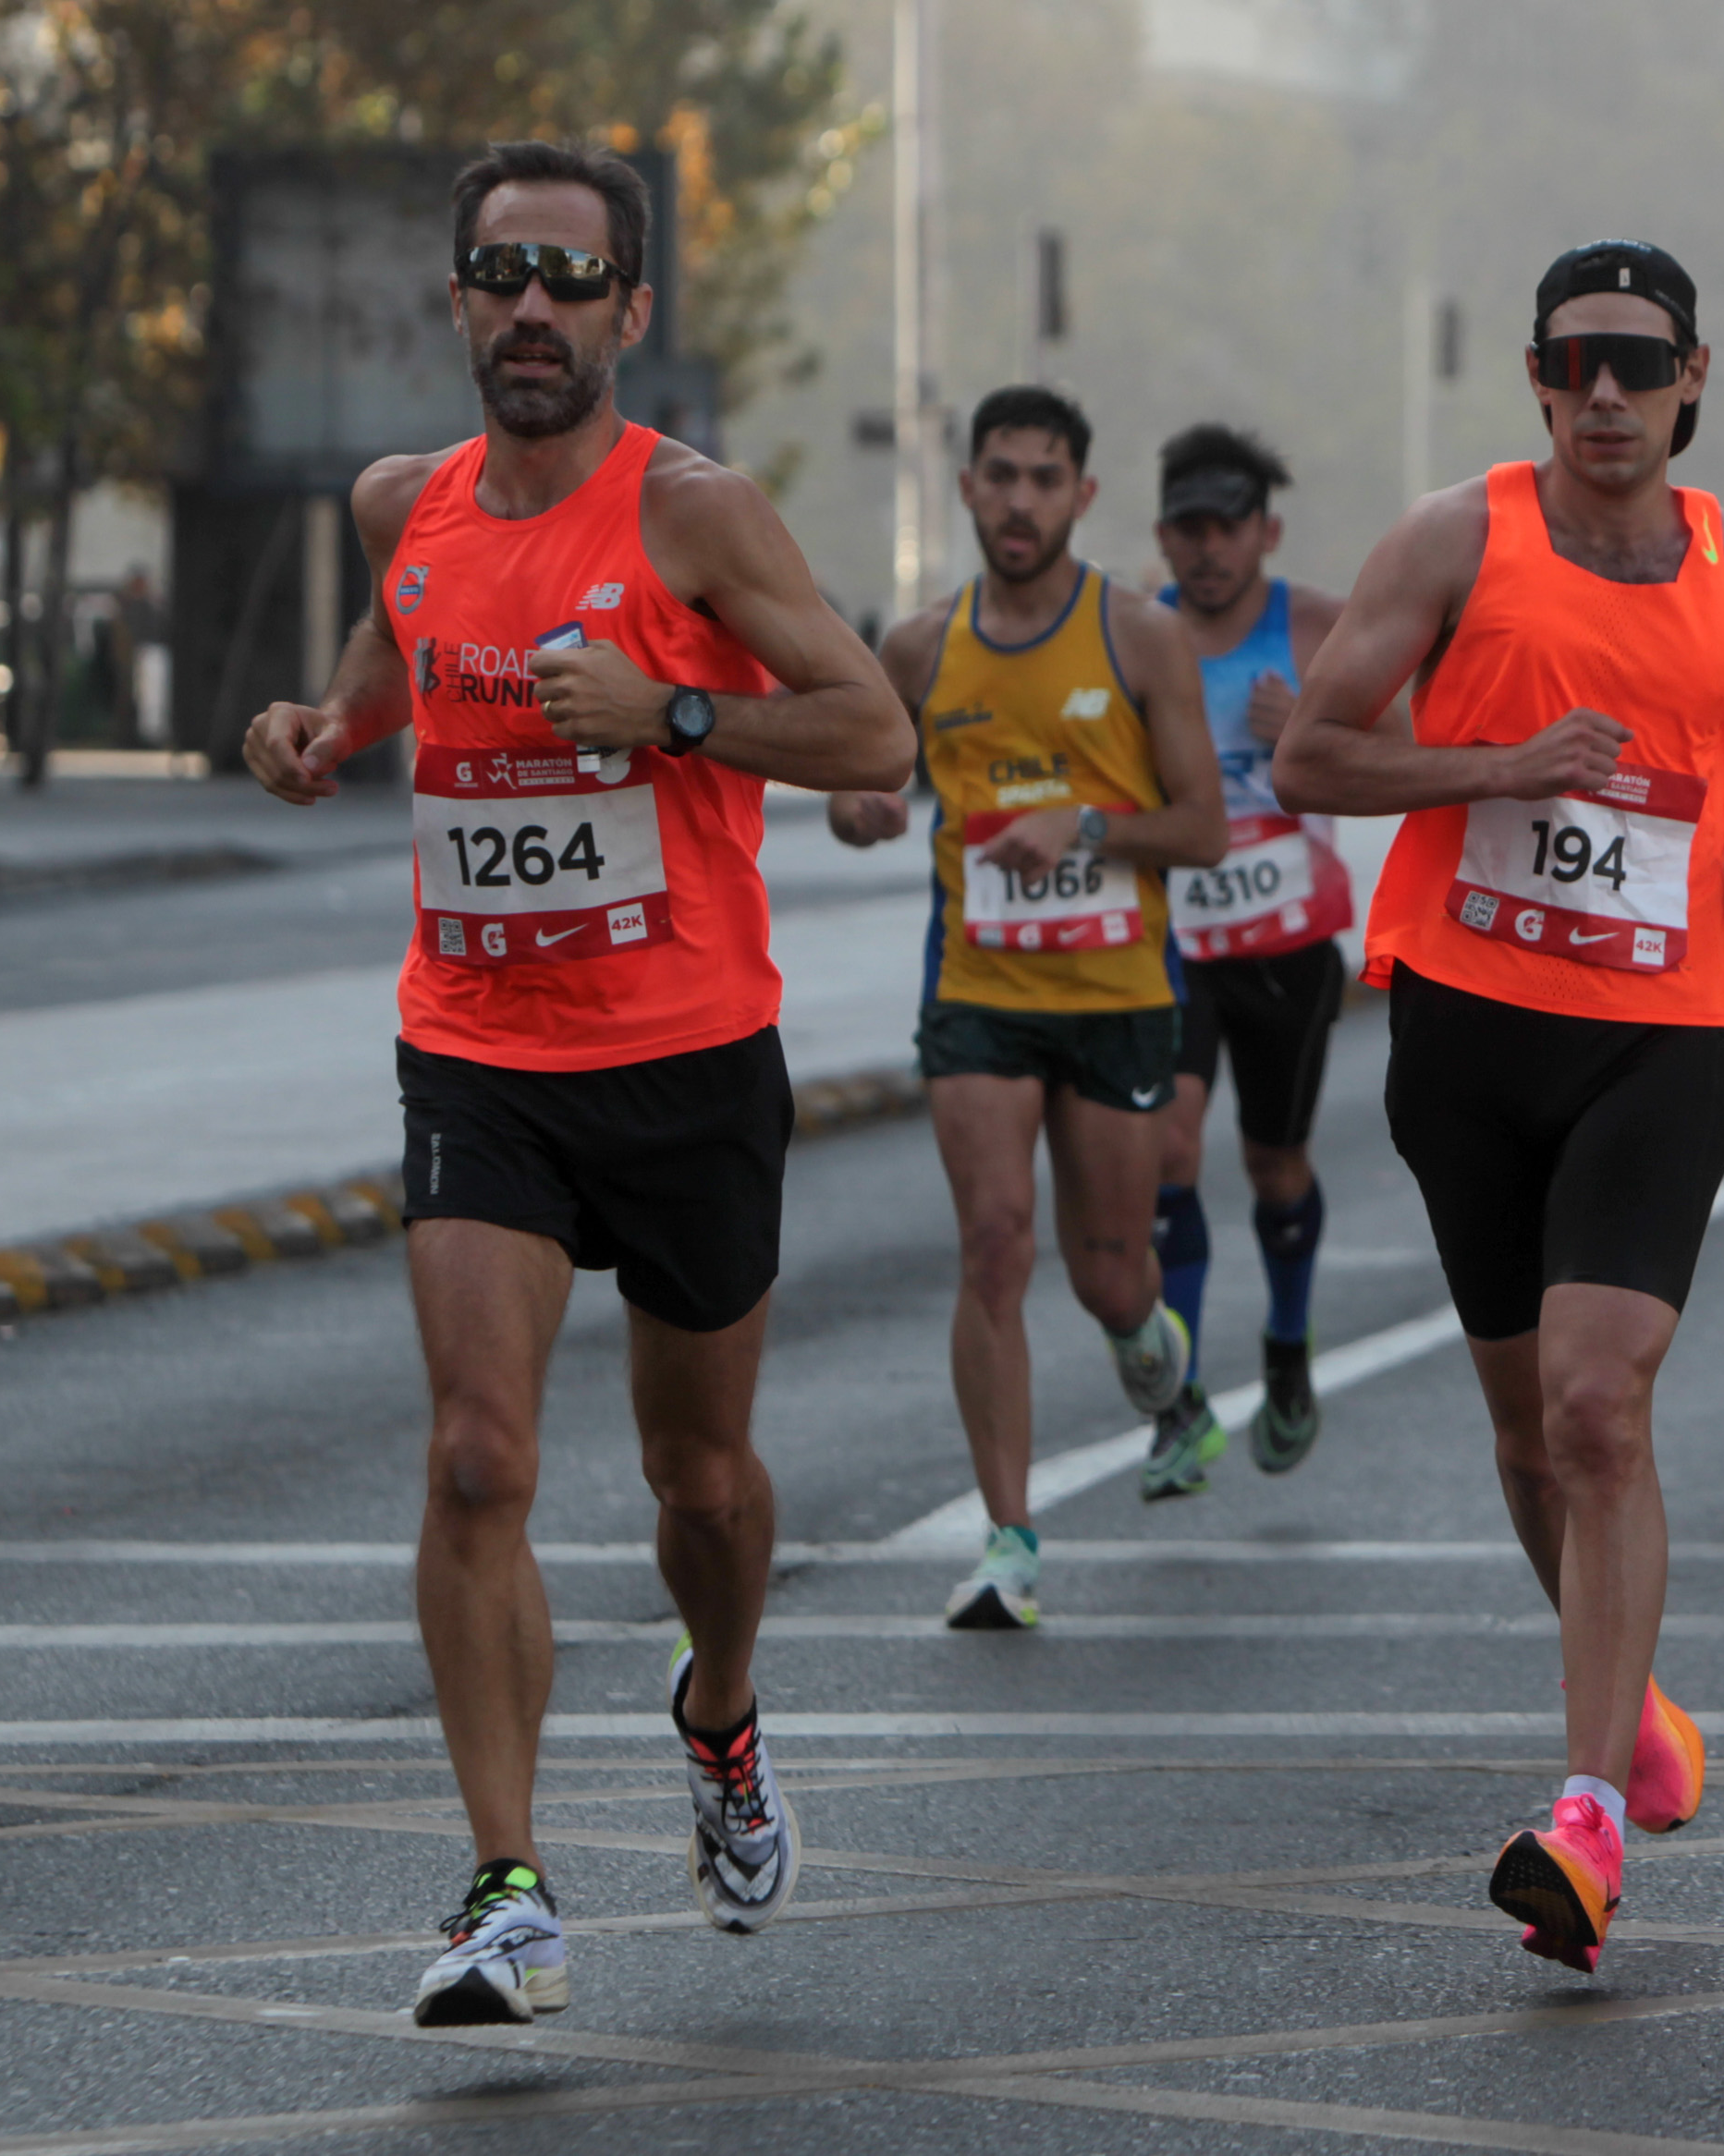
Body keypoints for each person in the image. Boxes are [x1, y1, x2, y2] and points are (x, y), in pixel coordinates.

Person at [238, 140, 917, 2026]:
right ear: (456, 302)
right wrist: (317, 728)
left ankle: (719, 1706)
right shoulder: (409, 500)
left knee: (697, 1479)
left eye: (568, 278)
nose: (529, 308)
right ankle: (507, 1885)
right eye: (497, 272)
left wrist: (677, 711)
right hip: (480, 1052)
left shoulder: (696, 517)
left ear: (630, 313)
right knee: (478, 1451)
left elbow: (874, 721)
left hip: (692, 1056)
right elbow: (399, 662)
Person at [1270, 238, 1724, 1975]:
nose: (1606, 393)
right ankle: (1632, 1698)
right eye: (1576, 363)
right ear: (1537, 380)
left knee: (1603, 1410)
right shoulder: (1458, 539)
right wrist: (1492, 768)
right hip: (1466, 1025)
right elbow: (1310, 756)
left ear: (1691, 381)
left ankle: (1585, 1814)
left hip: (1659, 1035)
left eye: (1639, 364)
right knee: (1531, 1436)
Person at [826, 384, 1229, 1627]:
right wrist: (866, 810)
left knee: (1110, 1279)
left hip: (1115, 992)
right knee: (995, 1244)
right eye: (997, 475)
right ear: (966, 488)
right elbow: (859, 788)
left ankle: (1166, 1381)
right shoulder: (918, 647)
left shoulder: (1139, 638)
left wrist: (1088, 823)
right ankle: (1009, 1538)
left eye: (1043, 479)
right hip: (979, 992)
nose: (1017, 501)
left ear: (1082, 496)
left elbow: (1206, 828)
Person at [1149, 423, 1354, 1476]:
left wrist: (1311, 728)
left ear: (1264, 531)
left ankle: (1285, 1340)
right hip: (1172, 939)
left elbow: (1410, 742)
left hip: (1288, 938)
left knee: (1274, 1164)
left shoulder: (1316, 627)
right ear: (1160, 536)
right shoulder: (1134, 636)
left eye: (1227, 528)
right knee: (1168, 1150)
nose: (1208, 550)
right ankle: (1181, 1399)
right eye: (1188, 530)